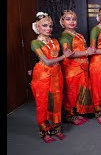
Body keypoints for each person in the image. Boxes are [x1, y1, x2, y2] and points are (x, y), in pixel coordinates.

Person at [30, 12, 74, 143]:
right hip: (42, 76)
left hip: (56, 74)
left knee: (56, 102)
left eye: (50, 26)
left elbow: (56, 60)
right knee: (43, 103)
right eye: (44, 26)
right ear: (37, 28)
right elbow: (48, 61)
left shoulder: (55, 41)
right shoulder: (35, 43)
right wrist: (65, 56)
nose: (48, 28)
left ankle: (56, 128)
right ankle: (45, 131)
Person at [59, 10, 95, 125]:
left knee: (80, 91)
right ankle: (70, 115)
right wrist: (86, 52)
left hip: (81, 67)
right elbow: (67, 53)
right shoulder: (65, 36)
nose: (71, 21)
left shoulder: (78, 35)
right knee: (71, 91)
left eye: (73, 19)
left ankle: (77, 113)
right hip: (72, 68)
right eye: (68, 19)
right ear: (62, 22)